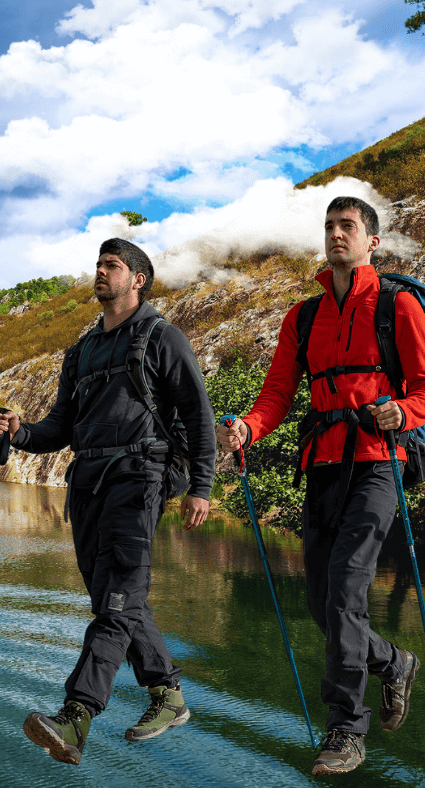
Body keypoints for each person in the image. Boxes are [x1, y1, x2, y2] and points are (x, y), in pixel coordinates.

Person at [216, 196, 423, 776]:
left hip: (380, 464)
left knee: (346, 592)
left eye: (347, 226)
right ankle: (394, 661)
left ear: (372, 242)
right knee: (319, 604)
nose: (336, 233)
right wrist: (248, 428)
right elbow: (278, 393)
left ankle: (345, 731)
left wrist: (401, 413)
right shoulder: (302, 317)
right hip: (323, 465)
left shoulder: (398, 304)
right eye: (329, 225)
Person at [0, 238, 216, 765]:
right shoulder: (82, 350)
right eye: (97, 264)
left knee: (117, 599)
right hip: (88, 481)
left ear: (137, 279)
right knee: (116, 598)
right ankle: (168, 694)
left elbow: (199, 417)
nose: (99, 272)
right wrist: (20, 433)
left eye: (111, 265)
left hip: (142, 477)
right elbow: (60, 428)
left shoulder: (164, 337)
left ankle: (77, 715)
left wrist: (200, 486)